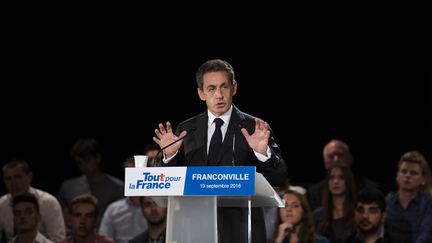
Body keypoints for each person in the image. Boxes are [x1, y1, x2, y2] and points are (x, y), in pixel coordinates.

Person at [153, 59, 288, 243]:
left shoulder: (255, 127)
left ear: (234, 88)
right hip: (195, 226)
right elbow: (167, 181)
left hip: (243, 226)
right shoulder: (186, 129)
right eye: (211, 88)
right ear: (201, 93)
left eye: (224, 87)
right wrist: (170, 156)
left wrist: (262, 154)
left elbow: (278, 177)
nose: (219, 95)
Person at [57, 137, 124, 231]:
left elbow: (122, 220)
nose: (84, 166)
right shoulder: (68, 187)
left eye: (87, 161)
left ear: (98, 158)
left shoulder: (117, 187)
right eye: (79, 163)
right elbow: (63, 219)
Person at [0, 160, 65, 243]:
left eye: (18, 177)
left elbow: (58, 239)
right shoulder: (1, 204)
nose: (13, 183)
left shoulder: (48, 202)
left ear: (29, 177)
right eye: (8, 179)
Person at [308, 139, 379, 211]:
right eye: (331, 156)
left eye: (341, 155)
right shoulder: (315, 193)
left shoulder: (370, 189)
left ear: (350, 159)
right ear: (325, 162)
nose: (336, 159)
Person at [385, 151, 432, 243]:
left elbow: (425, 234)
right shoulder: (386, 202)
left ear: (423, 180)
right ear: (397, 176)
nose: (407, 176)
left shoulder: (428, 205)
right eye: (403, 171)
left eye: (413, 173)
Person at [314, 164, 357, 243]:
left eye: (341, 178)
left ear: (348, 181)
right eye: (331, 178)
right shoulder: (318, 215)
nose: (335, 181)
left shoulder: (357, 213)